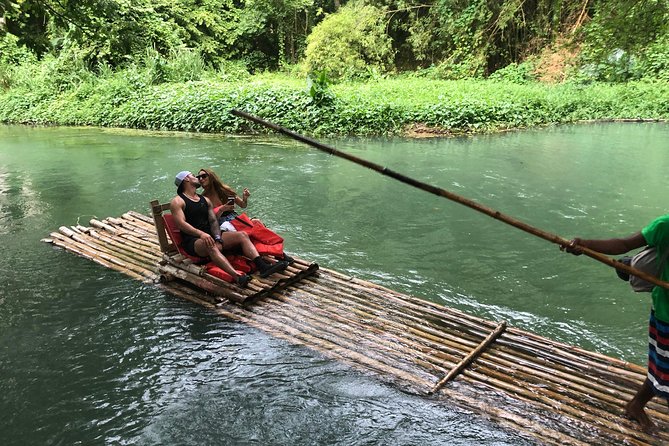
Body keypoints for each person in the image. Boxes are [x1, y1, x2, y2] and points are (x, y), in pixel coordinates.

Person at [564, 214, 669, 432]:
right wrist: (585, 244)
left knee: (664, 368)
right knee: (664, 367)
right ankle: (636, 406)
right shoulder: (665, 225)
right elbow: (623, 244)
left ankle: (635, 405)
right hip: (667, 313)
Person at [170, 170, 288, 287]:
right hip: (194, 240)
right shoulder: (178, 201)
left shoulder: (205, 200)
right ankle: (237, 276)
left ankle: (263, 266)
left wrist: (217, 236)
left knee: (242, 235)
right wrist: (201, 234)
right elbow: (181, 224)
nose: (197, 177)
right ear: (186, 179)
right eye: (193, 175)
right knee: (209, 244)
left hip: (210, 234)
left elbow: (213, 221)